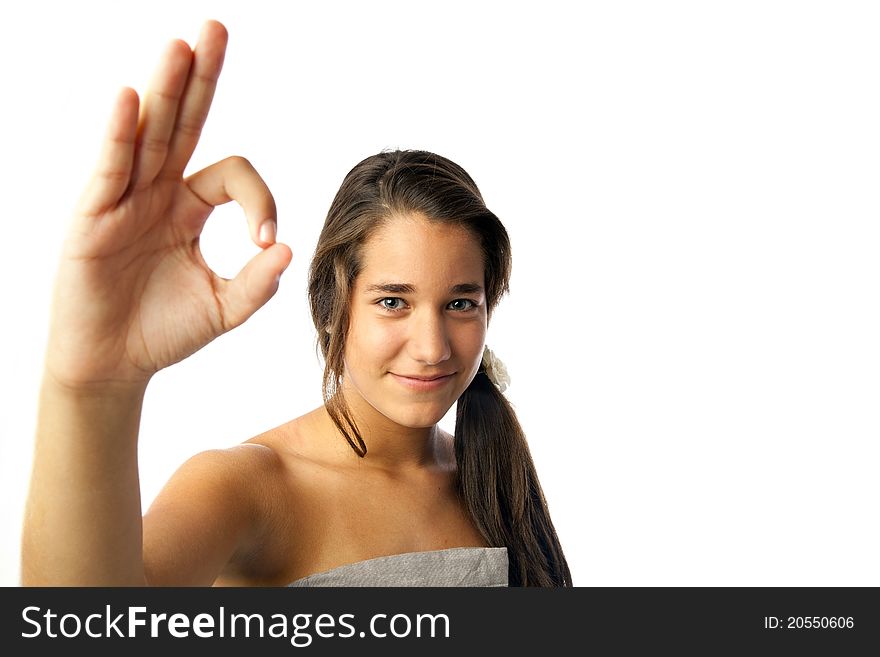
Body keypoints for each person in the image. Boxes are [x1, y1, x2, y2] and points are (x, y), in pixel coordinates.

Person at [21, 20, 571, 587]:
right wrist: (90, 385)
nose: (432, 347)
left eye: (460, 304)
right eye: (391, 302)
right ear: (334, 305)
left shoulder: (492, 477)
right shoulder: (245, 488)